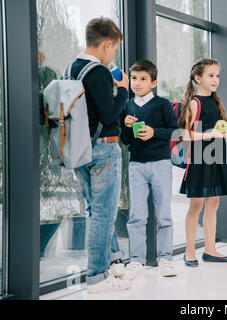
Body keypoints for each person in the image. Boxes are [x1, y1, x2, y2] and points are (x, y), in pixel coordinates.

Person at [71, 17, 130, 294]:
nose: (113, 55)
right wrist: (124, 91)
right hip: (103, 148)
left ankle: (114, 262)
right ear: (107, 43)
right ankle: (97, 277)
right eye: (114, 49)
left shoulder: (72, 68)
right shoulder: (98, 71)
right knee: (104, 214)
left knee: (97, 210)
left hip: (78, 149)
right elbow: (109, 114)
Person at [120, 59, 179, 279]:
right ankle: (137, 261)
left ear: (153, 82)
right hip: (136, 165)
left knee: (164, 215)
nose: (137, 83)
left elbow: (176, 132)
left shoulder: (163, 104)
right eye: (133, 78)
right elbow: (125, 140)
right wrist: (125, 127)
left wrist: (154, 133)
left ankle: (166, 259)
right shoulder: (126, 106)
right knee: (136, 216)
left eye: (143, 79)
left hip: (161, 164)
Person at [178, 58, 227, 267]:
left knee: (214, 202)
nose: (216, 80)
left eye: (218, 76)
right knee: (197, 204)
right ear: (197, 78)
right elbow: (183, 134)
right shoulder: (194, 102)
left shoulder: (215, 101)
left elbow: (218, 127)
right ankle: (189, 251)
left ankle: (210, 249)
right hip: (200, 158)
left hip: (216, 155)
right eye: (211, 75)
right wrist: (209, 134)